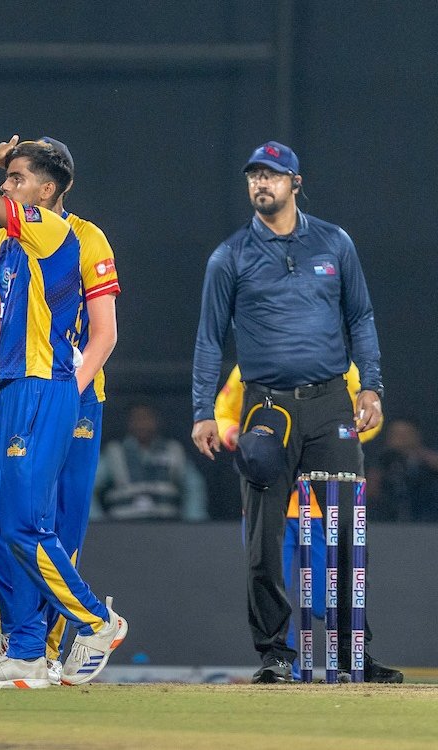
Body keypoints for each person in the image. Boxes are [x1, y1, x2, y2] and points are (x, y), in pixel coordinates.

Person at [191, 141, 392, 684]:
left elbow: (361, 317)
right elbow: (209, 339)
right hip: (266, 409)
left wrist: (371, 388)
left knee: (345, 532)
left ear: (295, 183)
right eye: (255, 175)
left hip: (331, 404)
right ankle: (275, 654)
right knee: (263, 538)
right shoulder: (229, 255)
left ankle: (352, 653)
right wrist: (204, 411)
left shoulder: (334, 242)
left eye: (273, 175)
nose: (262, 183)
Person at [0, 136, 127, 689]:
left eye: (18, 178)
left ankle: (41, 647)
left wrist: (68, 394)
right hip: (9, 391)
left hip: (65, 391)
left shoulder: (79, 236)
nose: (8, 185)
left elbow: (104, 333)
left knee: (50, 524)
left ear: (48, 189)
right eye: (6, 178)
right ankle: (21, 635)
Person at [214, 362, 399, 682]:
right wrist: (237, 436)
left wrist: (330, 438)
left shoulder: (340, 365)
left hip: (318, 509)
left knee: (323, 600)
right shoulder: (253, 362)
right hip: (271, 498)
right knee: (274, 588)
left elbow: (370, 419)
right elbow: (224, 411)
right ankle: (283, 666)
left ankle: (349, 658)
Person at [93, 402, 207, 521]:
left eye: (147, 418)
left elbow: (194, 487)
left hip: (167, 524)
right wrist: (96, 523)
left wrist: (193, 522)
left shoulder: (174, 450)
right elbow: (90, 487)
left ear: (157, 421)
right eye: (137, 419)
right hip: (122, 524)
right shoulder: (114, 452)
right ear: (129, 422)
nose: (142, 424)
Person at [368, 418, 438, 522]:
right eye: (396, 434)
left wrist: (418, 453)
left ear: (417, 436)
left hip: (427, 516)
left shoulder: (427, 458)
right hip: (388, 518)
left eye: (406, 434)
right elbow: (371, 491)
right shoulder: (382, 461)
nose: (401, 439)